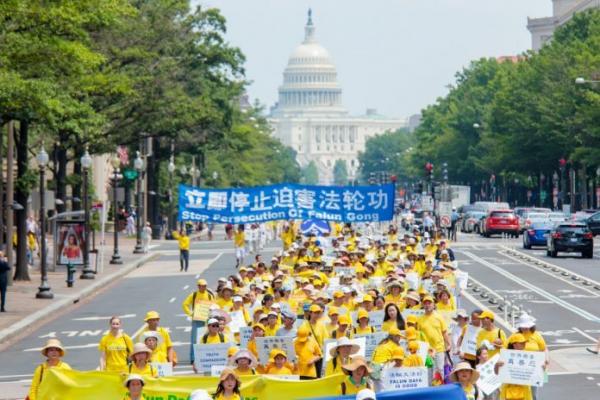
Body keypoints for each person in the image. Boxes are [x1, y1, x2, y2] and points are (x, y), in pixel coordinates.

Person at [182, 278, 215, 365]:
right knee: (194, 340)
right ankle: (193, 358)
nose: (203, 287)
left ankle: (203, 356)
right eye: (202, 286)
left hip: (206, 321)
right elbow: (185, 304)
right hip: (196, 320)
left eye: (205, 286)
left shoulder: (209, 296)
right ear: (198, 286)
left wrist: (210, 314)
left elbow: (213, 306)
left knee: (205, 339)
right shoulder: (194, 295)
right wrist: (190, 313)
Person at [418, 295, 451, 380]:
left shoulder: (439, 317)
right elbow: (418, 335)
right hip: (427, 351)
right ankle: (429, 390)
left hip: (439, 349)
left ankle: (440, 389)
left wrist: (448, 344)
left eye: (429, 303)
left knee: (439, 370)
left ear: (433, 305)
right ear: (423, 305)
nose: (427, 305)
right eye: (425, 303)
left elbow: (444, 332)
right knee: (429, 370)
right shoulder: (420, 319)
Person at [494, 333, 533, 400]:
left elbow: (535, 372)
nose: (524, 344)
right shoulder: (505, 355)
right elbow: (497, 373)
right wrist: (497, 365)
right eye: (521, 343)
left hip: (524, 389)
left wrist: (541, 368)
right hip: (508, 390)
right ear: (514, 344)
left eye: (524, 342)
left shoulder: (528, 356)